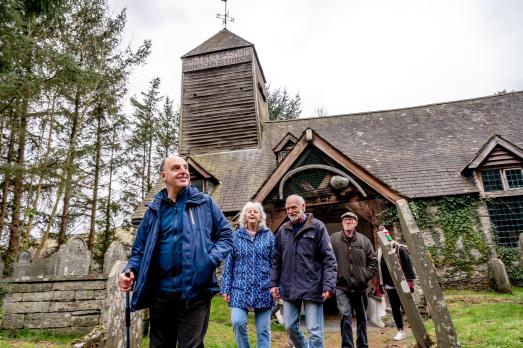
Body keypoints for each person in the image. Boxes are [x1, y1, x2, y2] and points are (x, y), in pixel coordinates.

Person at [118, 155, 233, 348]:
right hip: (160, 294)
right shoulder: (153, 211)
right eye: (176, 168)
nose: (183, 171)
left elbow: (227, 236)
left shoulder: (204, 203)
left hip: (195, 292)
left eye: (185, 167)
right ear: (164, 176)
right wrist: (130, 270)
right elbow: (139, 251)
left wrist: (208, 260)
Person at [270, 194, 337, 348]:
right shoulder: (283, 230)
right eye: (288, 208)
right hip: (289, 287)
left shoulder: (317, 227)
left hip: (312, 286)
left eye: (294, 207)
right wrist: (273, 283)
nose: (291, 211)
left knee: (314, 331)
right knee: (290, 327)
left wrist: (328, 285)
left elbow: (329, 259)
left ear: (303, 207)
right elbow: (276, 259)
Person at [221, 202, 275, 348]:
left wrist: (276, 285)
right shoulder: (236, 236)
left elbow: (275, 263)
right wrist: (226, 288)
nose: (252, 213)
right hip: (240, 287)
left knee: (263, 330)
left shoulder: (268, 236)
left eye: (255, 212)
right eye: (249, 211)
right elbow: (229, 264)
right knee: (237, 322)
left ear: (260, 216)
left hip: (263, 287)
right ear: (244, 216)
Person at [330, 212, 378, 348]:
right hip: (341, 286)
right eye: (345, 220)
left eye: (351, 220)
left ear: (356, 223)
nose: (348, 222)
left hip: (360, 287)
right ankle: (347, 346)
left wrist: (364, 276)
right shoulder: (333, 239)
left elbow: (373, 262)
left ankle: (362, 344)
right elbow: (326, 259)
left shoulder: (364, 241)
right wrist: (333, 276)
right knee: (345, 315)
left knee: (362, 318)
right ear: (342, 223)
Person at [378, 229, 416, 341]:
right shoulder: (381, 252)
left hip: (403, 284)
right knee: (395, 309)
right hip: (390, 286)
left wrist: (410, 282)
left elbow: (408, 265)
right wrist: (381, 284)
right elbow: (381, 269)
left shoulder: (400, 249)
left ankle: (415, 329)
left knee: (407, 308)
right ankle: (400, 330)